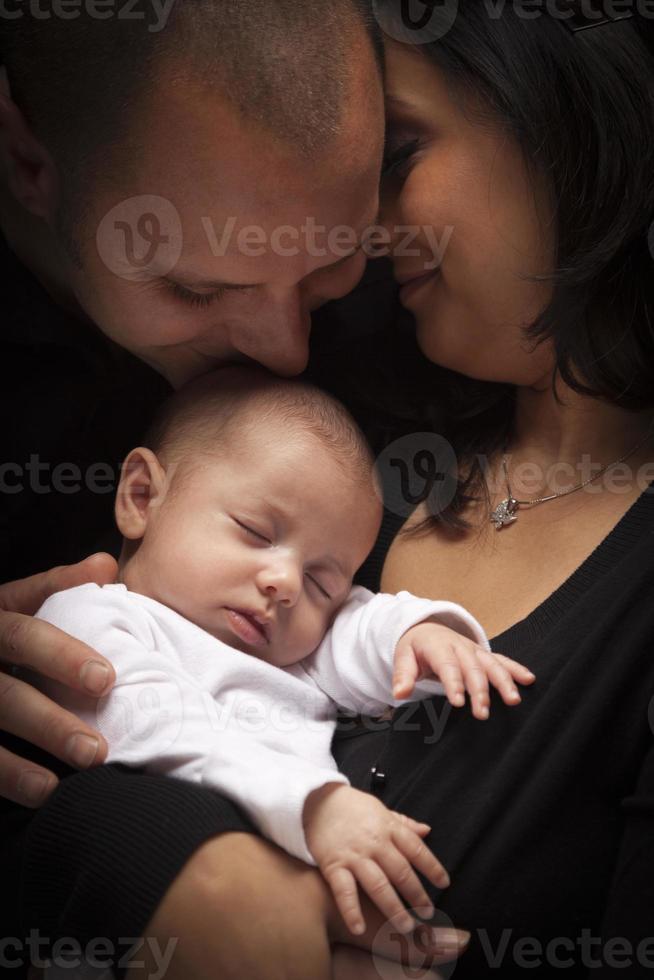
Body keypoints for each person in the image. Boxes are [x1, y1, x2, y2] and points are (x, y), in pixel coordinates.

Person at [2, 2, 654, 978]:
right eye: (196, 287)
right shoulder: (349, 400)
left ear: (552, 110)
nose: (286, 347)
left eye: (392, 158)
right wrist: (183, 873)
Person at [31, 365, 534, 941]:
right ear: (142, 496)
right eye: (254, 530)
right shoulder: (90, 619)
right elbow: (153, 723)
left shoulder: (290, 651)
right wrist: (313, 806)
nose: (286, 583)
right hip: (155, 904)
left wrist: (417, 635)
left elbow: (357, 621)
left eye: (322, 582)